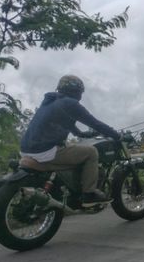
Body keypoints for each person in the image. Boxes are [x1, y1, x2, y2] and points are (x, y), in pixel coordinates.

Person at [19, 75, 121, 206]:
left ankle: (72, 189)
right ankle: (89, 194)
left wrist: (80, 133)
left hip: (26, 150)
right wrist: (117, 135)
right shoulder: (70, 103)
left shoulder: (50, 101)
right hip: (45, 151)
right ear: (77, 91)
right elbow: (95, 123)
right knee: (91, 152)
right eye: (81, 92)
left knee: (70, 147)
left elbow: (66, 122)